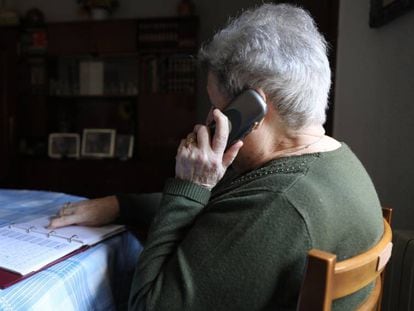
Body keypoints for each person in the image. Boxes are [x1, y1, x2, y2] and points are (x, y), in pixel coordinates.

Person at [49, 3, 384, 310]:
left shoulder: (275, 205)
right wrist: (119, 205)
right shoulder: (336, 160)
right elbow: (221, 206)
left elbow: (149, 305)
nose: (210, 115)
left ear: (251, 109)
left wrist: (188, 183)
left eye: (218, 104)